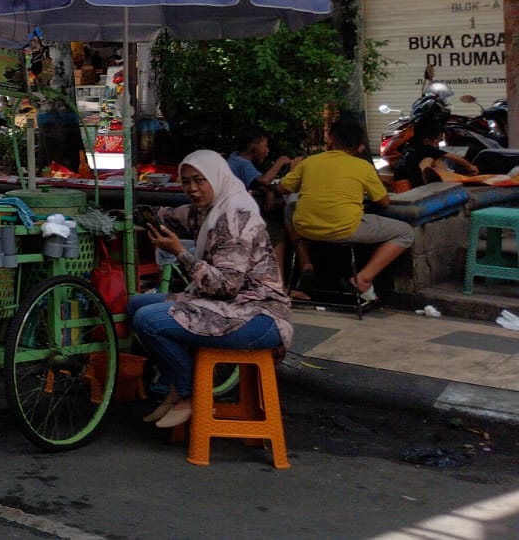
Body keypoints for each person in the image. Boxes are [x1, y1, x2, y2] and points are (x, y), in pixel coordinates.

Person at [127, 150, 292, 430]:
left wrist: (180, 252)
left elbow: (226, 286)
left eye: (200, 180)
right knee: (135, 305)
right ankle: (175, 385)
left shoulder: (235, 217)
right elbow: (170, 216)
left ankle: (188, 391)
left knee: (150, 320)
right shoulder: (208, 210)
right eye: (186, 182)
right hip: (226, 305)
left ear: (216, 178)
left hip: (258, 314)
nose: (192, 188)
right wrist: (141, 219)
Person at [279, 120, 414, 300]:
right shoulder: (362, 166)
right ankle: (363, 279)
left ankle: (306, 262)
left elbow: (281, 189)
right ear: (359, 147)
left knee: (289, 208)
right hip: (345, 230)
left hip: (306, 229)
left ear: (330, 141)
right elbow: (383, 201)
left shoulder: (310, 162)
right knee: (405, 232)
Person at [392, 116, 476, 189]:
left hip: (399, 183)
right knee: (433, 158)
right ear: (427, 141)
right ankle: (447, 181)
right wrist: (470, 166)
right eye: (438, 141)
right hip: (414, 186)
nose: (438, 144)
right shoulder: (428, 149)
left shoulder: (409, 147)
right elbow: (452, 156)